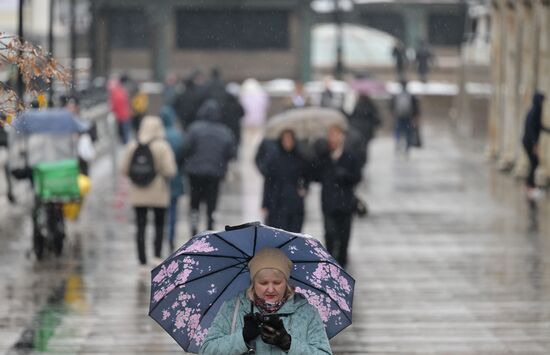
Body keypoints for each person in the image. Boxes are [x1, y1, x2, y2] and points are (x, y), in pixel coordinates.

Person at [199, 248, 332, 355]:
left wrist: (288, 343)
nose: (270, 289)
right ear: (253, 283)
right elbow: (206, 350)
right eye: (263, 283)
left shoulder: (306, 312)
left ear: (286, 282)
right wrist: (242, 337)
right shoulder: (233, 308)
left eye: (277, 282)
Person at [121, 116, 177, 267]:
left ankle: (141, 258)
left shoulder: (133, 145)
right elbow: (170, 170)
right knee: (159, 224)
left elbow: (124, 169)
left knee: (140, 225)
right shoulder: (163, 146)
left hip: (138, 192)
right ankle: (156, 255)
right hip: (158, 192)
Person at [312, 125, 362, 268]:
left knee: (344, 237)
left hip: (346, 204)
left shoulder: (350, 156)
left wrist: (345, 175)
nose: (332, 138)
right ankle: (331, 265)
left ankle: (342, 263)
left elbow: (357, 177)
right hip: (329, 203)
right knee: (330, 235)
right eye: (330, 135)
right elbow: (315, 175)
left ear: (342, 137)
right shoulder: (324, 156)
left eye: (335, 135)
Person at [184, 99, 236, 235]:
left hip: (195, 173)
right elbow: (231, 153)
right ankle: (209, 226)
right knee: (211, 202)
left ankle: (193, 228)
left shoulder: (194, 129)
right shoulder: (225, 131)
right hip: (215, 173)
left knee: (194, 202)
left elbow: (186, 148)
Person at [260, 129, 308, 233]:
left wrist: (304, 188)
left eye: (290, 140)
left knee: (294, 235)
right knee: (277, 234)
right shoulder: (274, 159)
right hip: (277, 202)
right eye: (285, 140)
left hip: (294, 203)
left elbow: (307, 176)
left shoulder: (300, 158)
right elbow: (268, 182)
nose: (287, 142)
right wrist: (265, 204)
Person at [159, 106, 185, 252]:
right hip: (175, 177)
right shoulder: (178, 135)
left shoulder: (159, 136)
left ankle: (162, 234)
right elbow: (183, 157)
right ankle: (171, 236)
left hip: (161, 180)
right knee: (174, 209)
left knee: (161, 210)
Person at [522, 92, 548, 200]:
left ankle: (529, 186)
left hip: (528, 141)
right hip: (529, 142)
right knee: (534, 162)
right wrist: (535, 144)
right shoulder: (534, 112)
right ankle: (530, 187)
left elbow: (539, 126)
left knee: (534, 163)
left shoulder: (534, 111)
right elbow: (531, 129)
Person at [348, 94, 381, 167]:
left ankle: (359, 159)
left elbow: (351, 115)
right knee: (365, 146)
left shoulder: (357, 104)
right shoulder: (370, 105)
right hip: (367, 130)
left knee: (358, 145)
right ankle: (363, 159)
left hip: (358, 129)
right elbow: (376, 117)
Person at [390, 81, 419, 155]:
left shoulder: (397, 95)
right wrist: (415, 117)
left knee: (398, 131)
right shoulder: (410, 96)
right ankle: (407, 148)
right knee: (408, 133)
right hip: (408, 117)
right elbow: (415, 108)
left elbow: (392, 106)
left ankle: (398, 143)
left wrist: (393, 113)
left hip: (399, 116)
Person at [109, 75, 132, 144]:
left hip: (122, 116)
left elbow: (114, 105)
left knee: (123, 135)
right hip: (123, 116)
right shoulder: (121, 92)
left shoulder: (118, 92)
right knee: (125, 135)